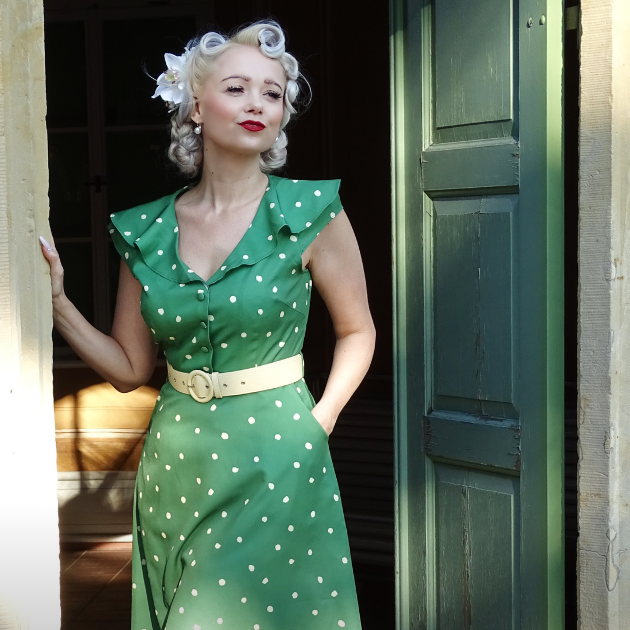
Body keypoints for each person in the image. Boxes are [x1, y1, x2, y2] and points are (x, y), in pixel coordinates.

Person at [40, 20, 375, 630]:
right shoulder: (146, 231)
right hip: (178, 461)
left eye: (272, 94)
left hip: (278, 453)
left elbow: (358, 332)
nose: (257, 104)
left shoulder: (310, 212)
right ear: (195, 106)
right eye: (237, 88)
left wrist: (317, 422)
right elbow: (130, 369)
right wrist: (59, 304)